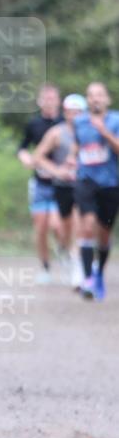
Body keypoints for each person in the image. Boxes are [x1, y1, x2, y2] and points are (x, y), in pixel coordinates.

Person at [70, 82, 119, 301]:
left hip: (110, 183)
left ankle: (99, 273)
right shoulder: (79, 122)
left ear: (107, 99)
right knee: (87, 227)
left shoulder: (116, 120)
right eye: (91, 95)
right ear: (87, 100)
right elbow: (78, 145)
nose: (95, 99)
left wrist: (104, 132)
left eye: (99, 95)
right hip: (86, 180)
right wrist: (73, 156)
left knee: (104, 236)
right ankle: (88, 278)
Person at [32, 94, 87, 290]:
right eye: (71, 112)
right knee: (63, 229)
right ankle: (64, 249)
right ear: (65, 113)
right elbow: (37, 156)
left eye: (78, 112)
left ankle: (79, 269)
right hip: (61, 187)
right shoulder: (57, 133)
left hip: (84, 186)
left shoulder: (91, 131)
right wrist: (58, 171)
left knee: (81, 226)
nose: (74, 116)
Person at [17, 84, 63, 283]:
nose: (49, 102)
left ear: (58, 101)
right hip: (39, 183)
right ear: (39, 101)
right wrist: (25, 158)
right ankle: (45, 267)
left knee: (58, 225)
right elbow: (22, 147)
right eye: (45, 98)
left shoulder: (65, 123)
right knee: (41, 228)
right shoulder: (33, 124)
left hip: (62, 184)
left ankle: (65, 251)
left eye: (52, 98)